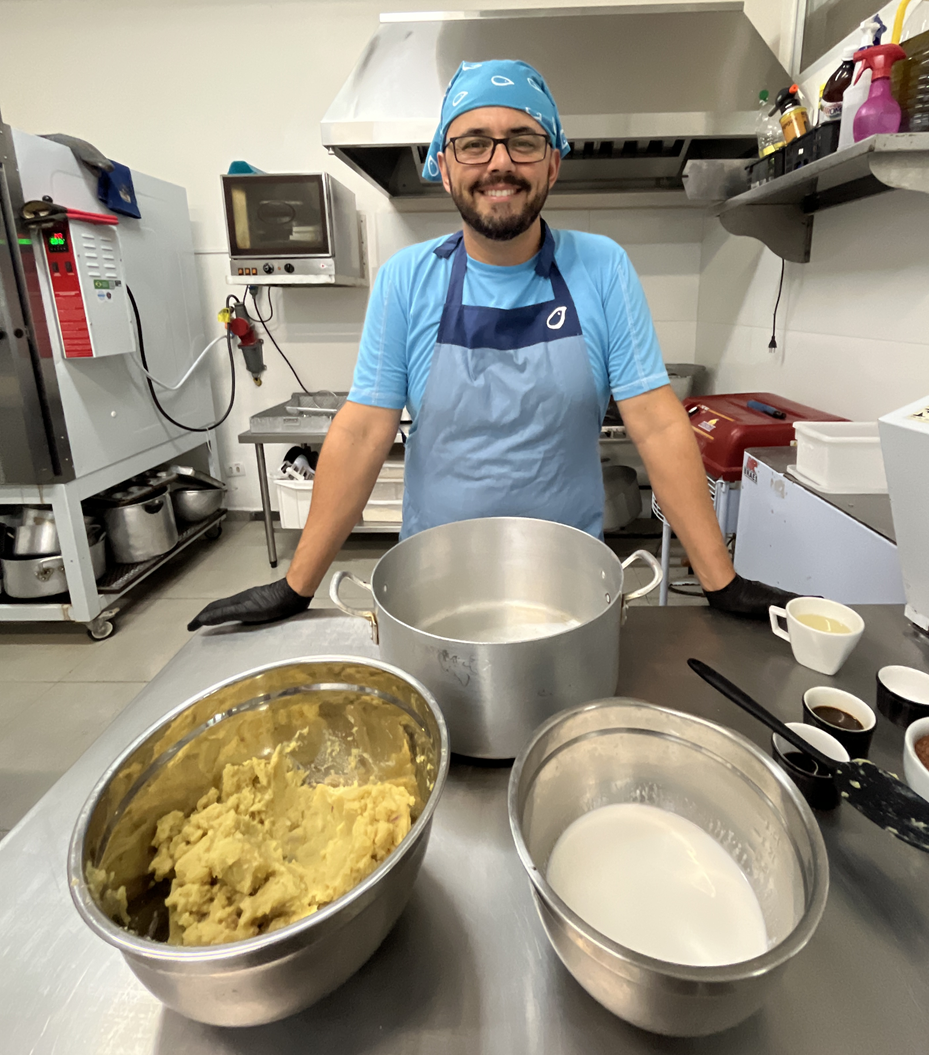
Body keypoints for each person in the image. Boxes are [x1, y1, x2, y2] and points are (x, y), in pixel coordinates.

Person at [189, 59, 790, 632]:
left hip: (570, 580)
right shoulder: (406, 279)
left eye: (522, 140)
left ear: (553, 164)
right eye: (474, 142)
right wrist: (296, 586)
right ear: (444, 167)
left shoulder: (603, 268)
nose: (498, 162)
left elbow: (657, 424)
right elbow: (362, 431)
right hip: (436, 579)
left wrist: (720, 581)